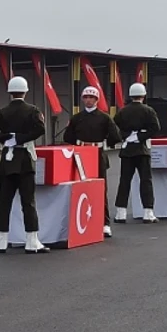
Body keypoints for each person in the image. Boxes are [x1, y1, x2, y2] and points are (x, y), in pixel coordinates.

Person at [0, 76, 49, 253]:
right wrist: (20, 137)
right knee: (28, 201)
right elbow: (40, 129)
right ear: (25, 91)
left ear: (10, 92)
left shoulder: (2, 112)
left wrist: (7, 138)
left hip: (7, 160)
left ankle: (0, 241)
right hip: (25, 159)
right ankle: (32, 241)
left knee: (4, 201)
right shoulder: (33, 110)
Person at [62, 86, 121, 237]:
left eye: (91, 97)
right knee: (80, 188)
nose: (88, 100)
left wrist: (105, 143)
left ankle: (104, 223)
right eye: (86, 97)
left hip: (98, 154)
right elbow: (67, 137)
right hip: (80, 154)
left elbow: (115, 136)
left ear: (96, 100)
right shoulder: (76, 118)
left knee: (101, 189)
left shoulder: (105, 117)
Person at [113, 82, 161, 224]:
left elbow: (114, 128)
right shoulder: (149, 110)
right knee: (145, 181)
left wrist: (127, 136)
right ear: (144, 95)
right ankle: (148, 212)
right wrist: (140, 136)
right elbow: (156, 128)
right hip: (142, 150)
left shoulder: (122, 111)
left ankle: (120, 213)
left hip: (127, 150)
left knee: (124, 181)